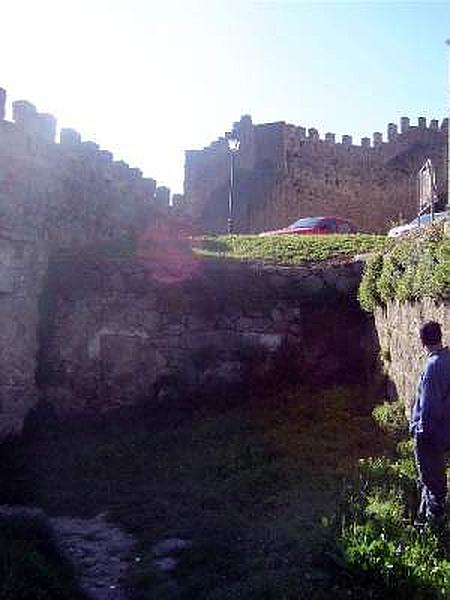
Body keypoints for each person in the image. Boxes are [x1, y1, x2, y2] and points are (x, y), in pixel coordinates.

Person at [411, 321, 450, 528]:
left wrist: (420, 433)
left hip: (430, 435)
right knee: (432, 481)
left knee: (431, 482)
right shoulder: (447, 359)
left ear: (421, 341)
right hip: (445, 431)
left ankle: (433, 528)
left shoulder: (432, 367)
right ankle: (422, 523)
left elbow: (428, 407)